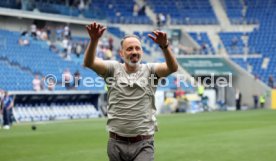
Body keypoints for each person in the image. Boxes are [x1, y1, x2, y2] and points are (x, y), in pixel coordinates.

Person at [84, 22, 178, 161]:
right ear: (121, 53)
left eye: (137, 48)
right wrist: (94, 40)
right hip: (116, 143)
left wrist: (164, 47)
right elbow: (89, 63)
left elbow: (172, 68)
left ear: (142, 52)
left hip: (143, 144)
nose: (134, 51)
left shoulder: (151, 70)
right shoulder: (112, 69)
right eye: (129, 49)